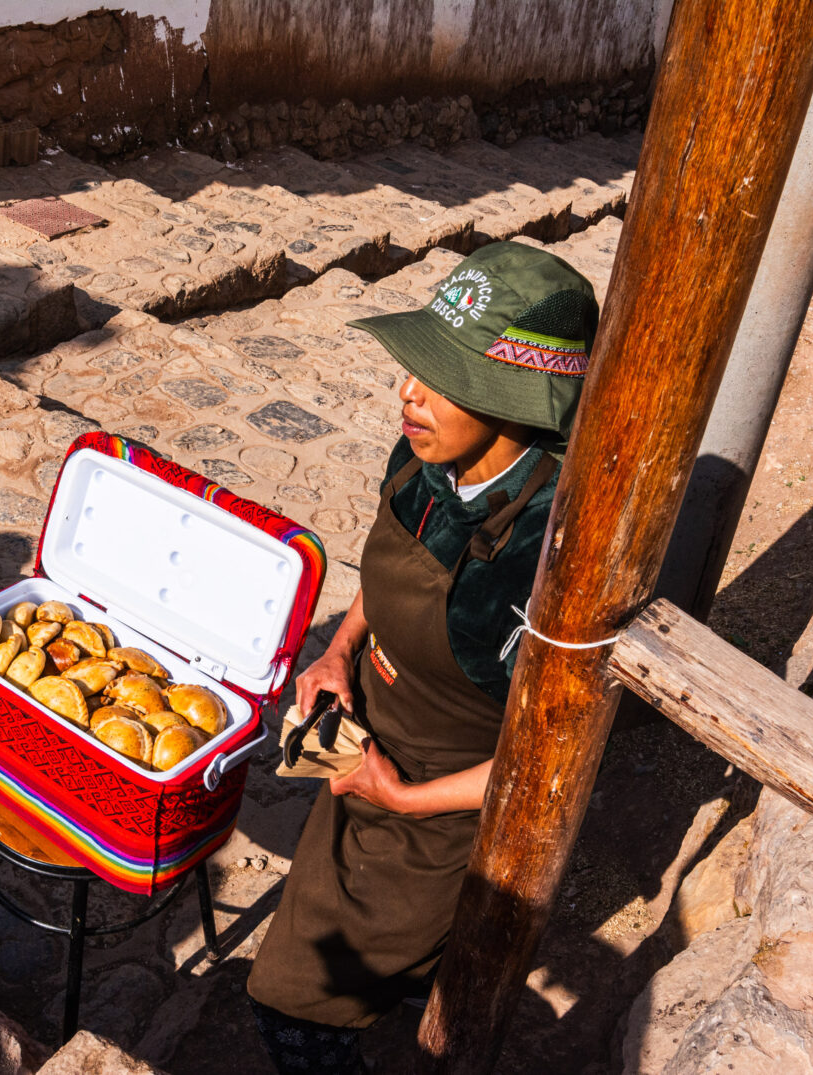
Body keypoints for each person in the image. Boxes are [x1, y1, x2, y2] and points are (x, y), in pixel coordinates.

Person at [245, 240, 600, 1074]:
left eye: (445, 382)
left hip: (443, 817)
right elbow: (389, 562)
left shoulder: (545, 563)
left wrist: (404, 800)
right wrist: (338, 652)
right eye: (415, 368)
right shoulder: (425, 455)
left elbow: (545, 757)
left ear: (513, 403)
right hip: (366, 750)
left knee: (290, 1005)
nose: (408, 392)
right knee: (337, 952)